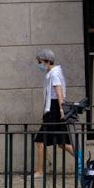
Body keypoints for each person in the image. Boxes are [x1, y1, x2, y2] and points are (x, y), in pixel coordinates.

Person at [31, 49, 74, 178]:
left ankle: (39, 171)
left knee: (40, 141)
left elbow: (59, 93)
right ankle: (84, 164)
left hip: (54, 110)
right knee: (62, 143)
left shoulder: (54, 74)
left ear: (46, 61)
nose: (39, 64)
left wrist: (61, 111)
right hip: (54, 109)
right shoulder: (54, 72)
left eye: (40, 62)